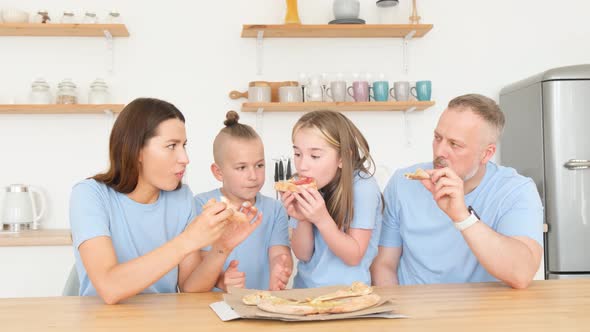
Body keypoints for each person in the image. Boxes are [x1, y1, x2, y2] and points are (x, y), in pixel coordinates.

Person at [69, 98, 259, 304]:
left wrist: (221, 247)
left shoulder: (181, 197)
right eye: (171, 146)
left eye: (184, 145)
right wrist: (189, 239)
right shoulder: (89, 195)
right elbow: (109, 287)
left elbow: (190, 286)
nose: (185, 158)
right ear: (137, 150)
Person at [371, 94, 543, 289]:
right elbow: (383, 265)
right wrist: (396, 312)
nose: (440, 151)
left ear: (486, 154)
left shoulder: (515, 190)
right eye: (437, 138)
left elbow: (521, 274)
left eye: (455, 144)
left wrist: (462, 217)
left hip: (483, 314)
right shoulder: (403, 183)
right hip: (414, 311)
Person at [282, 110, 382, 288]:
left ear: (343, 158)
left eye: (315, 156)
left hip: (348, 296)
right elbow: (303, 254)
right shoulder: (312, 184)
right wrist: (302, 218)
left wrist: (321, 219)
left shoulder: (363, 187)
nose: (303, 166)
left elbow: (354, 256)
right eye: (298, 154)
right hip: (304, 293)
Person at [194, 111, 292, 291]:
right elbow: (197, 263)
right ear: (218, 172)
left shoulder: (275, 209)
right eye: (241, 167)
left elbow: (279, 252)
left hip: (259, 307)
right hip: (210, 307)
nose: (253, 176)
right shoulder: (201, 205)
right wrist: (222, 279)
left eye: (259, 165)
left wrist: (281, 267)